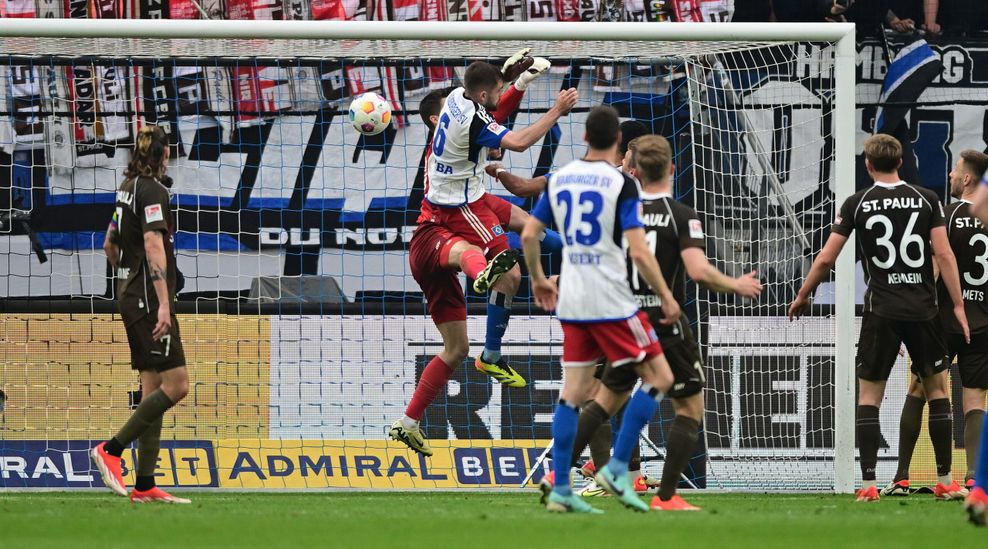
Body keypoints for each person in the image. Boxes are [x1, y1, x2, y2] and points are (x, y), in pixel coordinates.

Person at [389, 55, 577, 457]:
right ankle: (486, 292)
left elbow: (495, 107)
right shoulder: (467, 114)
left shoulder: (458, 99)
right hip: (452, 214)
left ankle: (410, 420)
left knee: (457, 346)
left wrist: (518, 79)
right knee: (497, 266)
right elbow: (518, 139)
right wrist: (557, 110)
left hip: (469, 197)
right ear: (480, 94)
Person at [789, 134, 969, 502]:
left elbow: (826, 258)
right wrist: (959, 306)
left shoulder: (858, 202)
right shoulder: (927, 199)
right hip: (923, 310)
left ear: (868, 164)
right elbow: (945, 255)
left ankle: (869, 483)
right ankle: (946, 480)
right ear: (900, 161)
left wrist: (804, 294)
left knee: (870, 397)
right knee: (937, 391)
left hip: (881, 311)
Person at [522, 105, 679, 513]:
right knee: (659, 376)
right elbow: (640, 249)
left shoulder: (561, 178)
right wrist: (664, 293)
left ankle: (560, 489)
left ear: (586, 138)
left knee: (573, 393)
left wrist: (538, 277)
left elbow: (530, 232)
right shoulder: (621, 183)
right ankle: (617, 468)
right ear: (618, 143)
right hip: (610, 298)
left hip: (572, 297)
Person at [91, 126, 191, 504]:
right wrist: (163, 301)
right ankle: (111, 449)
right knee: (177, 385)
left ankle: (145, 484)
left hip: (130, 294)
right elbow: (152, 243)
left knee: (154, 389)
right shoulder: (154, 191)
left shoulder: (126, 188)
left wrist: (128, 275)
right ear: (164, 155)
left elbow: (109, 245)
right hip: (149, 298)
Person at [883, 150, 988, 500]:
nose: (952, 175)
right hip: (983, 322)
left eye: (956, 170)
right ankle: (974, 478)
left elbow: (936, 263)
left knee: (919, 390)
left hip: (942, 319)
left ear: (968, 179)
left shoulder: (949, 212)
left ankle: (901, 476)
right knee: (975, 398)